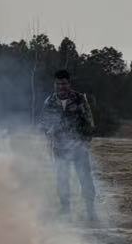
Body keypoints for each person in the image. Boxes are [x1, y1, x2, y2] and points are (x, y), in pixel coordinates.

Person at [41, 69, 97, 221]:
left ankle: (91, 212)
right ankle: (66, 211)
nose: (61, 87)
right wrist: (49, 132)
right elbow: (43, 123)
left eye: (64, 84)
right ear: (54, 84)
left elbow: (89, 122)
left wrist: (85, 142)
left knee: (85, 178)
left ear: (69, 83)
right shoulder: (49, 101)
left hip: (78, 147)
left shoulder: (79, 99)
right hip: (59, 148)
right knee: (62, 179)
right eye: (58, 84)